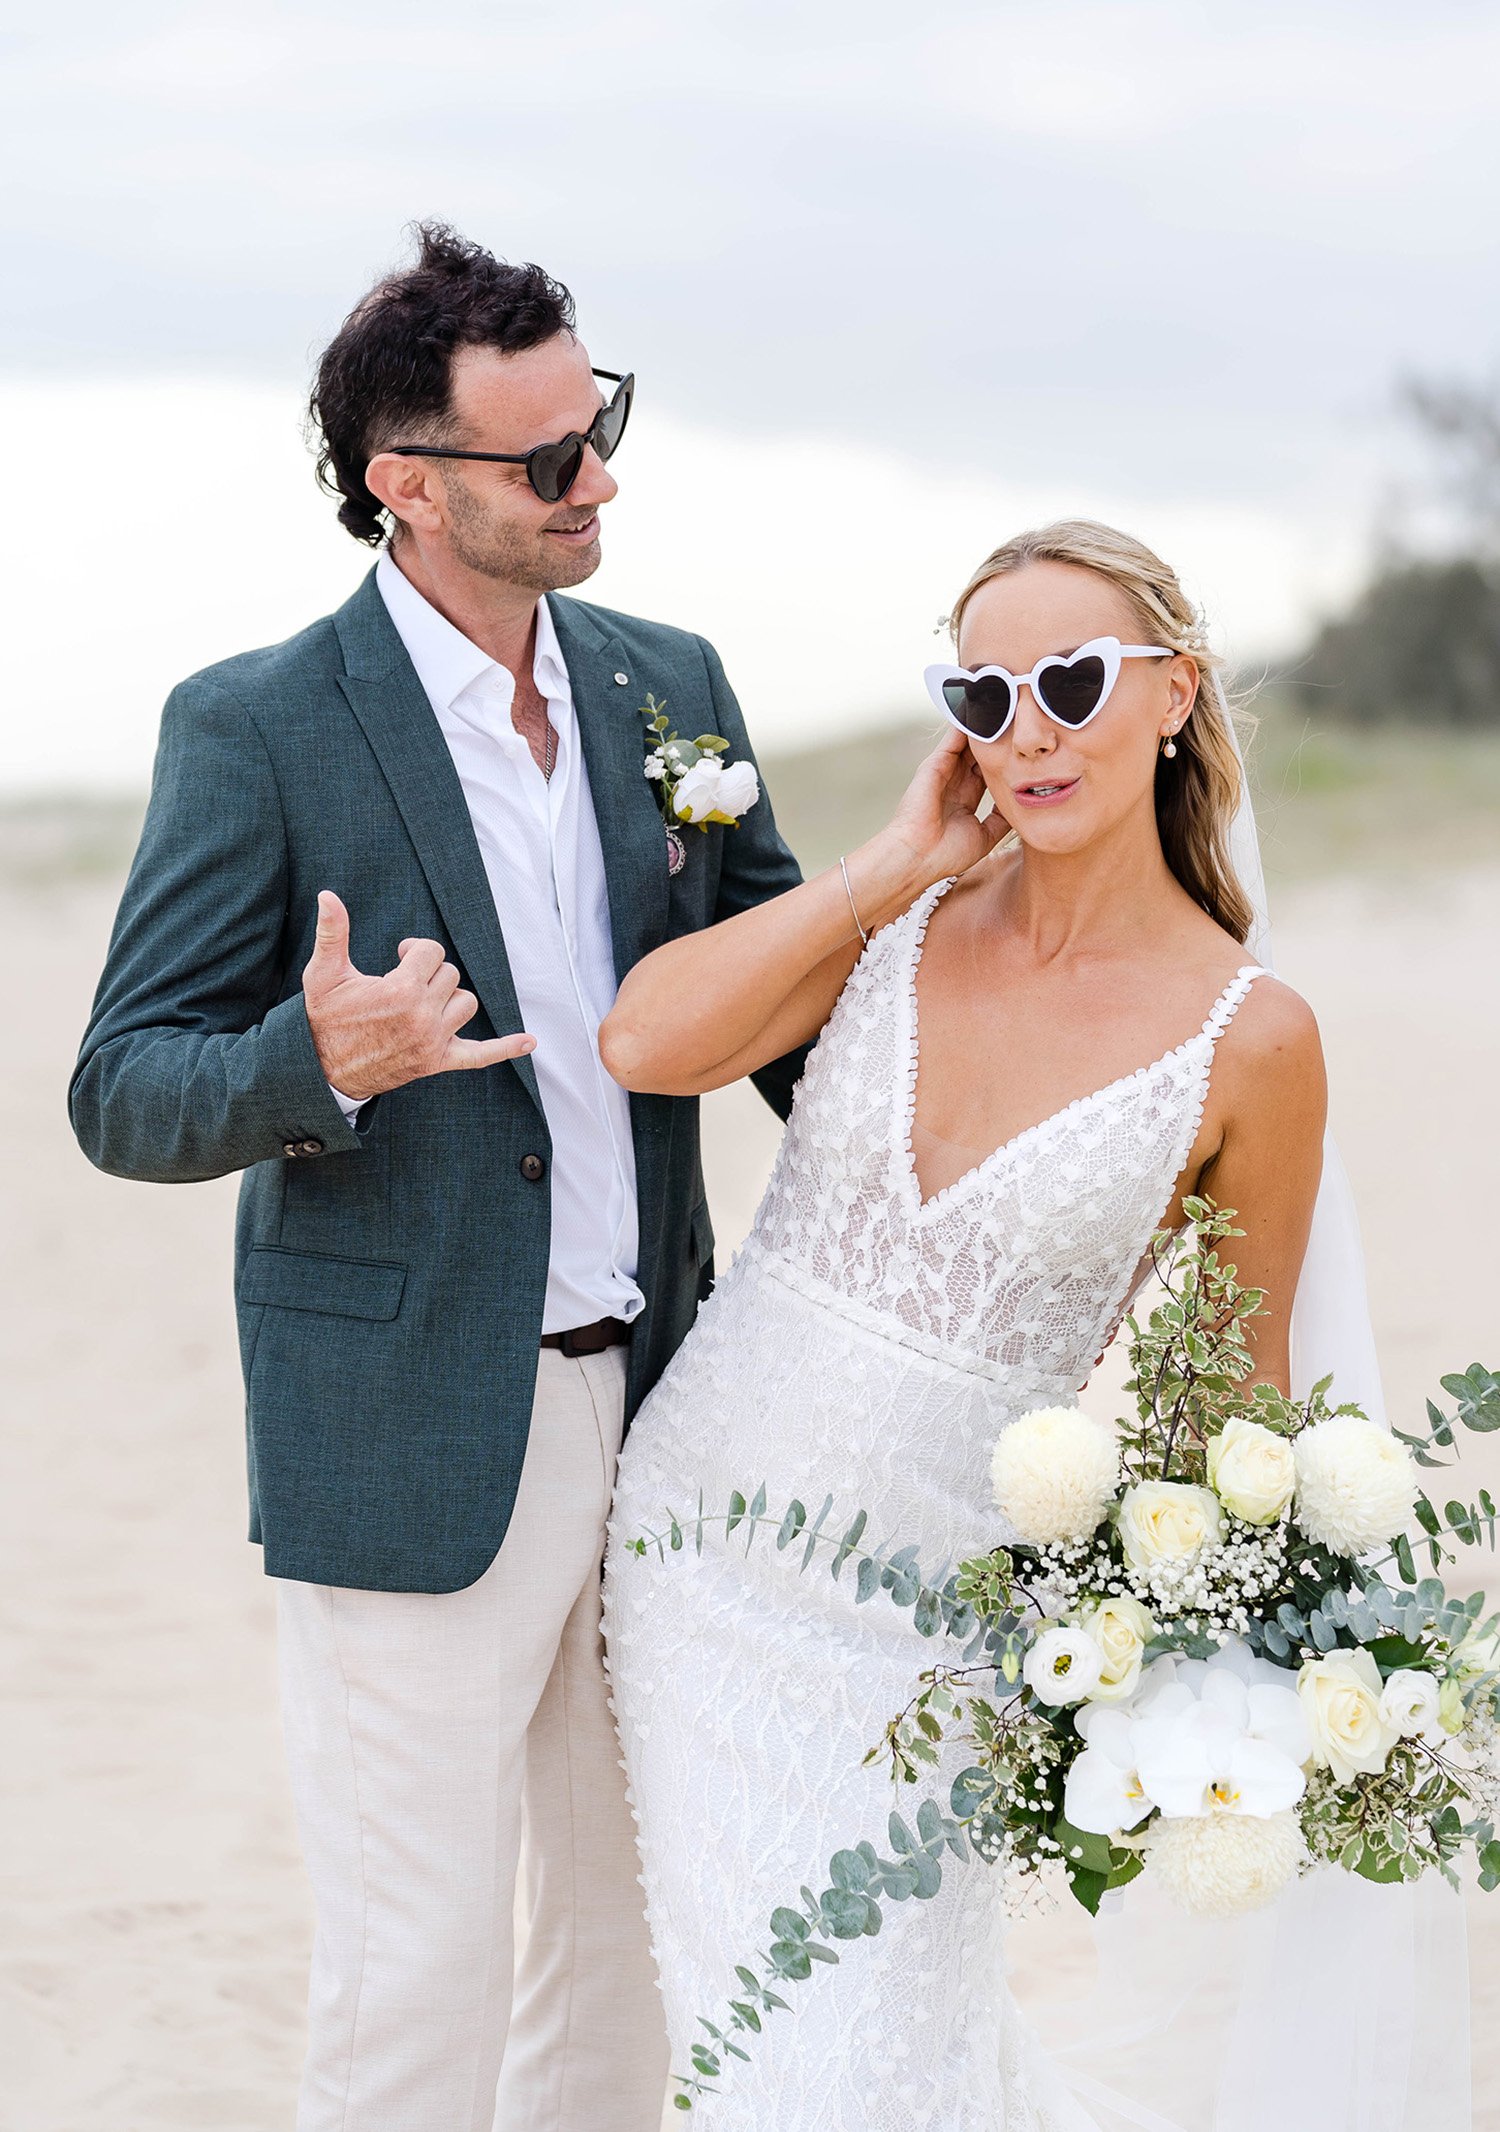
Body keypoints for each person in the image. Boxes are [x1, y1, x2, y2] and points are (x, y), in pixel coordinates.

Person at [69, 221, 806, 2132]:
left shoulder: (676, 683)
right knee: (418, 1969)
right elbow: (123, 1088)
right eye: (549, 460)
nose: (601, 482)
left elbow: (795, 1008)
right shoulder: (259, 724)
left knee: (630, 1944)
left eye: (604, 427)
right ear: (408, 486)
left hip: (666, 1405)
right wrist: (323, 1059)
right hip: (403, 1428)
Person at [600, 517, 1406, 2127]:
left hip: (935, 1643)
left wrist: (1186, 1639)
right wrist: (893, 866)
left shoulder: (1254, 1040)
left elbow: (1234, 1407)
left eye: (1074, 680)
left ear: (1174, 692)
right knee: (775, 2065)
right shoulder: (900, 930)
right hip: (701, 1563)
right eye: (984, 693)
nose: (1027, 728)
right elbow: (645, 1042)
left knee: (875, 2063)